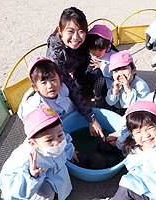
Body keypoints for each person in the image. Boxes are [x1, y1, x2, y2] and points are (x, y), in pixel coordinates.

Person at [46, 7, 104, 140]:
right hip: (66, 79)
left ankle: (99, 98)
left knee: (99, 70)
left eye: (81, 31)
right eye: (70, 31)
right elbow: (68, 84)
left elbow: (108, 46)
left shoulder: (86, 40)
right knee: (67, 94)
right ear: (60, 30)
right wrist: (91, 118)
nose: (76, 37)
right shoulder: (55, 54)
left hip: (80, 68)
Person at [0, 104, 78, 200]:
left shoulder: (52, 139)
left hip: (51, 170)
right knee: (46, 194)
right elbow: (11, 189)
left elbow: (64, 138)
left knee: (61, 181)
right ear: (33, 144)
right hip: (26, 184)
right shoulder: (27, 160)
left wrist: (71, 151)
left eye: (59, 134)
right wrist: (31, 176)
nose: (57, 143)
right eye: (49, 140)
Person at [111, 101, 156, 200]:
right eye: (138, 131)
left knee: (126, 189)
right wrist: (116, 141)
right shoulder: (137, 142)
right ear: (132, 134)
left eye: (149, 128)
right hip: (148, 183)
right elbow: (126, 143)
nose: (146, 135)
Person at [105, 50, 150, 115]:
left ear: (133, 70)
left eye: (124, 69)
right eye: (115, 71)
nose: (120, 74)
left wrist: (127, 88)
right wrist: (115, 90)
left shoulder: (141, 86)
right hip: (118, 110)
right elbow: (110, 102)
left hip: (135, 113)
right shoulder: (115, 84)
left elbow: (140, 107)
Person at [87, 24, 119, 91]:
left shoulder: (113, 55)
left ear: (107, 47)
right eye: (93, 49)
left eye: (101, 50)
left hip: (109, 81)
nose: (96, 53)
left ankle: (98, 95)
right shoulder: (86, 50)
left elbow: (114, 72)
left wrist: (102, 65)